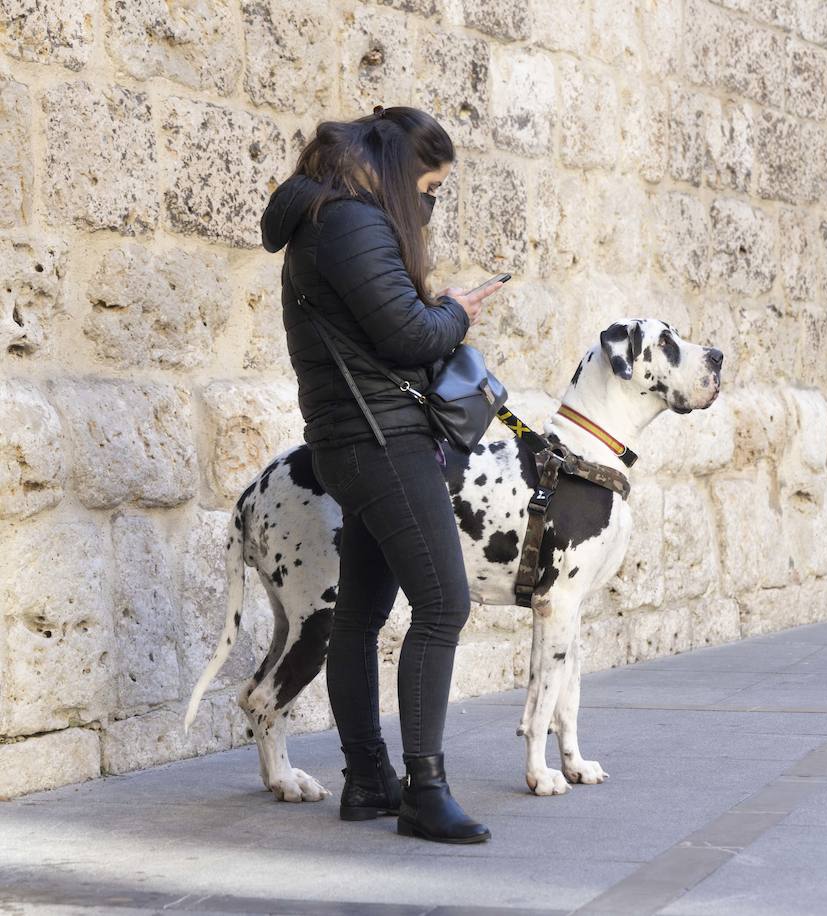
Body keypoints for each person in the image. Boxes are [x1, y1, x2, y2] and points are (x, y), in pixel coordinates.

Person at [259, 105, 505, 844]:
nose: (429, 203)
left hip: (355, 439)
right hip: (381, 442)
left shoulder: (327, 219)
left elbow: (376, 327)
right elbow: (404, 337)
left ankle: (368, 781)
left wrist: (428, 308)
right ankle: (423, 791)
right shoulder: (351, 222)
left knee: (361, 617)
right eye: (429, 186)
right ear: (401, 171)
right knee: (444, 606)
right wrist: (456, 313)